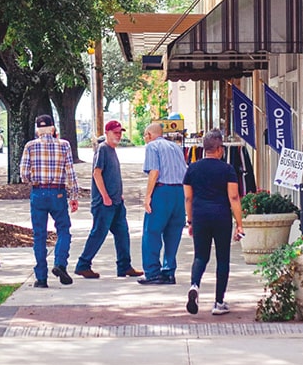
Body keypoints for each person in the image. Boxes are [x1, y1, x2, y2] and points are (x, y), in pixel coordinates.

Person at [182, 129, 244, 315]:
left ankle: (194, 285)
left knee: (200, 256)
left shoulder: (192, 168)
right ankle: (218, 302)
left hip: (200, 215)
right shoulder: (227, 169)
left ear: (204, 148)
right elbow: (233, 197)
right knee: (222, 258)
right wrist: (239, 224)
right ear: (219, 149)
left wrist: (190, 221)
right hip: (221, 216)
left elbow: (188, 198)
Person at [73, 120, 142, 279]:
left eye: (120, 132)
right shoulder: (103, 149)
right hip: (104, 203)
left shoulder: (112, 150)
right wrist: (105, 196)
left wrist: (118, 194)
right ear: (107, 133)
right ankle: (83, 265)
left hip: (117, 202)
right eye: (115, 132)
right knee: (99, 233)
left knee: (122, 233)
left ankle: (124, 266)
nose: (118, 135)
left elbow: (112, 176)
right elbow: (97, 173)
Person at [19, 113, 80, 287]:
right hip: (58, 193)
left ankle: (41, 277)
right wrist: (74, 196)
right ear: (53, 129)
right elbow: (70, 173)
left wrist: (34, 179)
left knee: (39, 235)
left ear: (38, 130)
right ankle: (60, 263)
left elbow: (23, 174)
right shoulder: (64, 146)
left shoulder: (30, 146)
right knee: (63, 229)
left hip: (38, 193)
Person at [139, 121, 188, 284]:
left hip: (162, 191)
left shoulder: (152, 147)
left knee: (151, 232)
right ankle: (169, 271)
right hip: (179, 191)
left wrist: (148, 196)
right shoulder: (176, 148)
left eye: (145, 136)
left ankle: (152, 272)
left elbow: (154, 172)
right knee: (173, 233)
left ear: (149, 135)